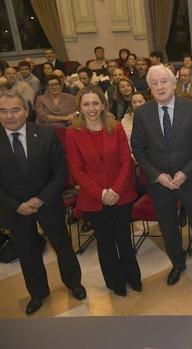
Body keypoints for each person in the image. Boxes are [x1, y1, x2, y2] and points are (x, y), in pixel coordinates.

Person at [0, 90, 85, 315]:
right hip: (15, 209)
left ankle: (74, 283)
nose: (9, 116)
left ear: (27, 111)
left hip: (48, 203)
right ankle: (38, 293)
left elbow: (60, 172)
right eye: (3, 110)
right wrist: (15, 205)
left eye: (15, 109)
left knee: (63, 247)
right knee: (27, 252)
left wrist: (40, 199)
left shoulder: (47, 135)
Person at [131, 65, 192, 286]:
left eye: (164, 81)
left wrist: (186, 172)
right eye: (154, 83)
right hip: (160, 184)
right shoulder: (142, 113)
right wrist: (157, 175)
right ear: (149, 88)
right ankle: (177, 263)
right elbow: (138, 150)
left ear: (174, 83)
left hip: (190, 178)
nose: (160, 87)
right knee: (168, 227)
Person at [65, 85, 140, 297]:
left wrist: (115, 190)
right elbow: (76, 170)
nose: (91, 108)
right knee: (106, 243)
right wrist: (101, 193)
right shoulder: (72, 133)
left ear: (103, 104)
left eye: (95, 103)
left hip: (121, 194)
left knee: (124, 239)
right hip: (93, 198)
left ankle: (133, 277)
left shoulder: (115, 127)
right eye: (86, 104)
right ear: (79, 106)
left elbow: (126, 161)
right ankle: (116, 283)